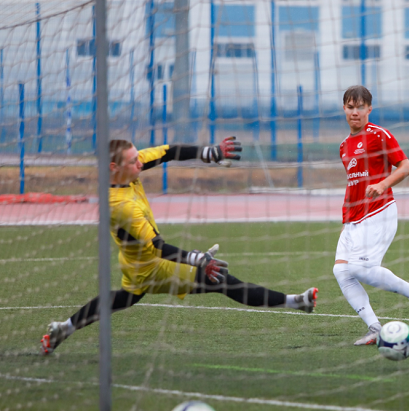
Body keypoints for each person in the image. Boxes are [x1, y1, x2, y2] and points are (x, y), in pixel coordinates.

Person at [40, 137, 318, 355]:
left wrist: (209, 152)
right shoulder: (121, 206)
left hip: (135, 262)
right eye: (134, 161)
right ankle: (297, 302)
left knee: (125, 297)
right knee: (222, 280)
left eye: (138, 157)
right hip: (152, 265)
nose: (140, 163)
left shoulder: (126, 173)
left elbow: (168, 152)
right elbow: (158, 247)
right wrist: (196, 259)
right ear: (114, 168)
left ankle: (65, 328)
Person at [332, 85, 409, 346]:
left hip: (378, 211)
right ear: (344, 109)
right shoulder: (344, 146)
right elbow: (352, 184)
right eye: (350, 107)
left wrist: (382, 184)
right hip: (353, 218)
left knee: (361, 269)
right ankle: (375, 328)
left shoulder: (378, 135)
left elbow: (406, 166)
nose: (355, 112)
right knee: (341, 271)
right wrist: (346, 222)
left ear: (369, 109)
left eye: (360, 107)